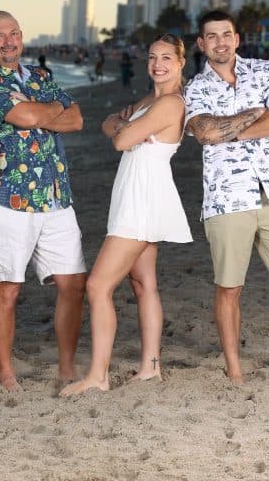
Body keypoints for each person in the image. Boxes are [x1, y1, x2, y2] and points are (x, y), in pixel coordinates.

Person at [183, 10, 269, 385]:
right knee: (230, 287)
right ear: (201, 44)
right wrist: (253, 113)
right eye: (211, 37)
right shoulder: (195, 89)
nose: (220, 42)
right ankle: (235, 368)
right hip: (227, 197)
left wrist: (237, 131)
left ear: (237, 38)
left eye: (226, 35)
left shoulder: (268, 71)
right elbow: (206, 133)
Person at [60, 34, 193, 397]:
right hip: (138, 193)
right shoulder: (151, 100)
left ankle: (98, 376)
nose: (158, 64)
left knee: (98, 286)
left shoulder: (170, 104)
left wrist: (125, 131)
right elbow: (110, 123)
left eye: (167, 57)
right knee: (143, 283)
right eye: (153, 57)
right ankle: (151, 366)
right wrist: (125, 128)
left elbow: (118, 141)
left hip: (142, 199)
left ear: (181, 63)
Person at [0, 10, 87, 390]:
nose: (8, 41)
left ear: (22, 36)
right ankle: (6, 374)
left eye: (13, 33)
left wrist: (38, 115)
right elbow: (25, 113)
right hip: (6, 197)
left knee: (74, 283)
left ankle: (66, 368)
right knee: (8, 288)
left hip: (55, 195)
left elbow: (77, 118)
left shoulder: (40, 76)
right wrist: (48, 112)